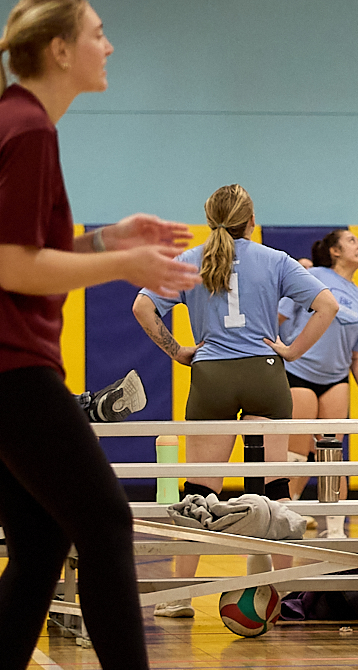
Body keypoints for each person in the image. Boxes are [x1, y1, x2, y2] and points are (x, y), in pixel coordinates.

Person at [0, 0, 248, 670]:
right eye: (100, 33)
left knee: (40, 545)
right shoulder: (27, 127)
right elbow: (13, 267)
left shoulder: (8, 123)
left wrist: (107, 237)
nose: (111, 46)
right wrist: (122, 264)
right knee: (104, 520)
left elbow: (22, 245)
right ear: (61, 49)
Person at [133, 184, 336, 607]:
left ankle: (179, 597)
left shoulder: (190, 260)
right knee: (276, 489)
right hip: (265, 373)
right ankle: (286, 592)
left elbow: (142, 307)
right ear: (251, 220)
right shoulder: (275, 259)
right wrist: (292, 351)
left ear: (210, 220)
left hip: (212, 377)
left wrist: (178, 351)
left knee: (198, 493)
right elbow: (328, 306)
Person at [275, 227, 358, 540]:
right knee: (296, 453)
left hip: (336, 379)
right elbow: (277, 317)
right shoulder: (311, 276)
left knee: (331, 454)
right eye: (351, 240)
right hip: (298, 372)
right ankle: (287, 518)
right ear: (334, 251)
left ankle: (334, 531)